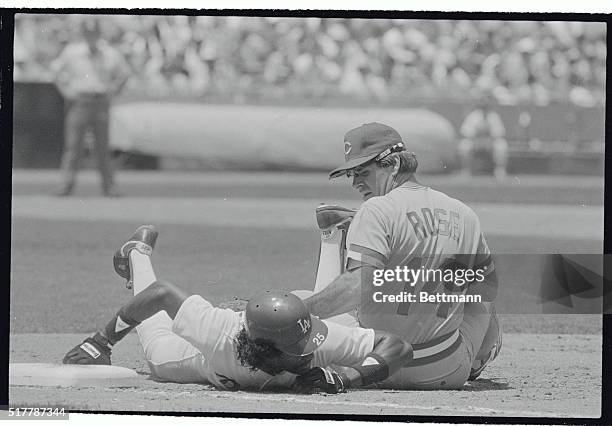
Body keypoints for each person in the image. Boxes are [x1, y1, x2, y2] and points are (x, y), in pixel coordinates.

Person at [63, 226, 413, 393]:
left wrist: (352, 376)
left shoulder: (313, 340)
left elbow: (397, 346)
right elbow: (159, 293)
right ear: (266, 351)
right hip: (186, 357)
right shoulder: (216, 335)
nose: (311, 352)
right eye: (300, 350)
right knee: (154, 335)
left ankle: (331, 236)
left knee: (343, 318)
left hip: (250, 325)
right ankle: (137, 254)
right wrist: (101, 342)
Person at [303, 122, 502, 389]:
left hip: (373, 366)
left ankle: (331, 238)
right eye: (352, 174)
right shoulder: (465, 214)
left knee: (306, 299)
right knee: (484, 297)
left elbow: (358, 285)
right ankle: (477, 361)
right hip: (446, 369)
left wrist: (303, 312)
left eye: (363, 172)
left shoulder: (376, 210)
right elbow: (487, 288)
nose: (355, 183)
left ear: (394, 165)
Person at [50, 18, 130, 197]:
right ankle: (66, 185)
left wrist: (113, 91)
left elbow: (124, 73)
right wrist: (66, 91)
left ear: (99, 34)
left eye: (94, 34)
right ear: (83, 34)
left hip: (101, 101)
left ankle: (109, 187)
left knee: (103, 147)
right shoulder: (72, 52)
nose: (91, 37)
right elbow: (55, 71)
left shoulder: (109, 53)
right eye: (88, 34)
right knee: (73, 146)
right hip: (79, 101)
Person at [458, 94, 509, 179]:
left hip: (490, 143)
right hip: (475, 142)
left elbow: (499, 133)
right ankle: (465, 171)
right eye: (483, 103)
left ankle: (500, 171)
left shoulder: (494, 116)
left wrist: (489, 141)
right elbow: (466, 133)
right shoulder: (473, 116)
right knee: (464, 146)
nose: (485, 105)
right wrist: (476, 140)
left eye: (487, 103)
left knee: (501, 145)